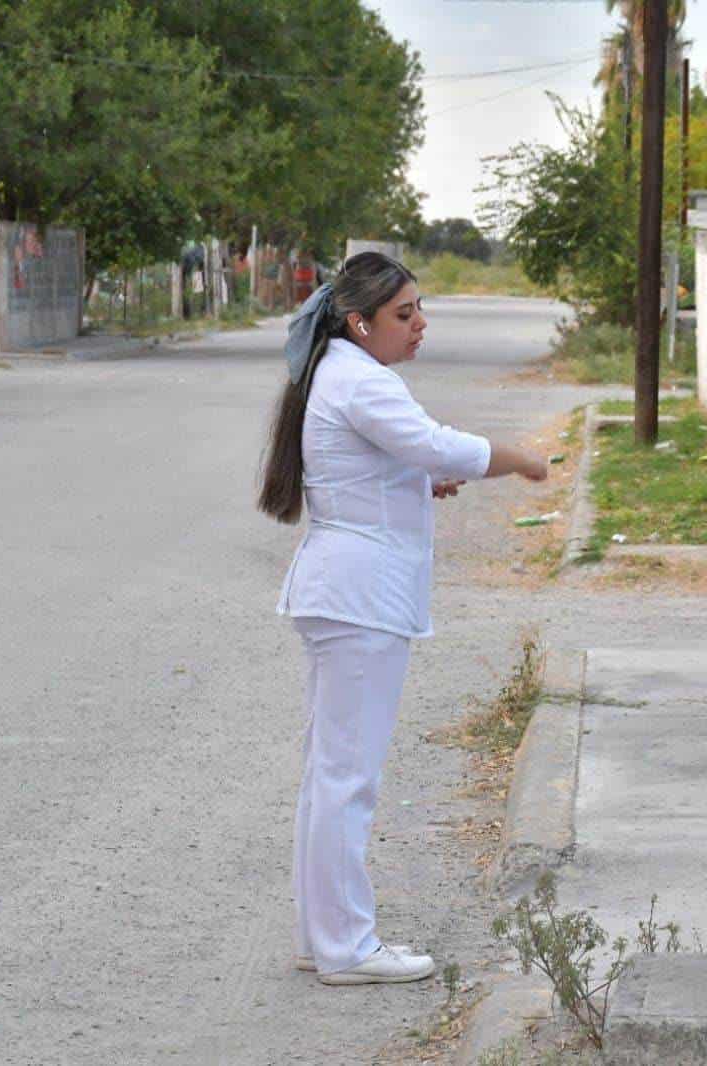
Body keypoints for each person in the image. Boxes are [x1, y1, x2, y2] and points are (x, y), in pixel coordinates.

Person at [258, 252, 548, 985]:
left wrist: (420, 483)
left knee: (331, 776)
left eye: (420, 308)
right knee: (346, 780)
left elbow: (390, 464)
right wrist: (516, 458)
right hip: (357, 599)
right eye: (403, 313)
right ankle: (347, 950)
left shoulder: (343, 374)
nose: (420, 325)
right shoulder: (359, 378)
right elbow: (429, 443)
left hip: (344, 592)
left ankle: (323, 936)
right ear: (359, 322)